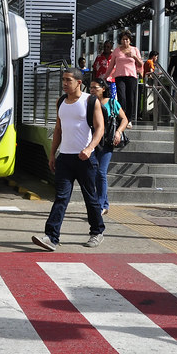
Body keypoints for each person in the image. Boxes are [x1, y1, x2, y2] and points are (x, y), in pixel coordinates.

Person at [31, 67, 106, 251]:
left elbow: (100, 128)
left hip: (85, 159)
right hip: (65, 158)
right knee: (61, 198)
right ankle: (51, 237)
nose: (64, 83)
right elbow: (58, 130)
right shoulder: (61, 102)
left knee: (91, 198)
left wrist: (89, 149)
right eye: (63, 80)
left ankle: (97, 232)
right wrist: (52, 154)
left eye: (68, 80)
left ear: (79, 82)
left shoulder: (90, 101)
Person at [89, 77, 127, 215]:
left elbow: (124, 118)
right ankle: (103, 203)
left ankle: (100, 205)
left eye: (95, 88)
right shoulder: (89, 102)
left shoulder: (112, 102)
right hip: (92, 141)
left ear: (103, 88)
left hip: (106, 142)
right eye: (91, 88)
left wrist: (118, 132)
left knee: (101, 172)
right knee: (93, 173)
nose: (92, 90)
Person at [104, 31, 144, 125]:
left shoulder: (134, 50)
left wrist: (134, 56)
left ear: (130, 40)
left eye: (127, 39)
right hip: (119, 76)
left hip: (131, 76)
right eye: (123, 39)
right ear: (120, 40)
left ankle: (129, 119)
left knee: (130, 97)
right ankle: (122, 118)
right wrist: (105, 77)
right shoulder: (116, 51)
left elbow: (140, 64)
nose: (125, 41)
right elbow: (111, 65)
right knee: (122, 97)